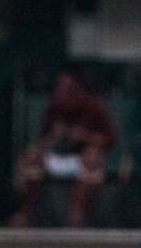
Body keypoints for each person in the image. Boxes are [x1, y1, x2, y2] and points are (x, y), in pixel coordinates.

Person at [10, 70, 116, 227]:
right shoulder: (54, 107)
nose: (63, 93)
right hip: (58, 157)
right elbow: (42, 142)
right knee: (32, 155)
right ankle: (26, 212)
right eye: (59, 88)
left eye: (68, 89)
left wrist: (83, 136)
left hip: (82, 159)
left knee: (92, 156)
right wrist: (55, 136)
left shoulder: (93, 106)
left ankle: (76, 214)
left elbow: (109, 139)